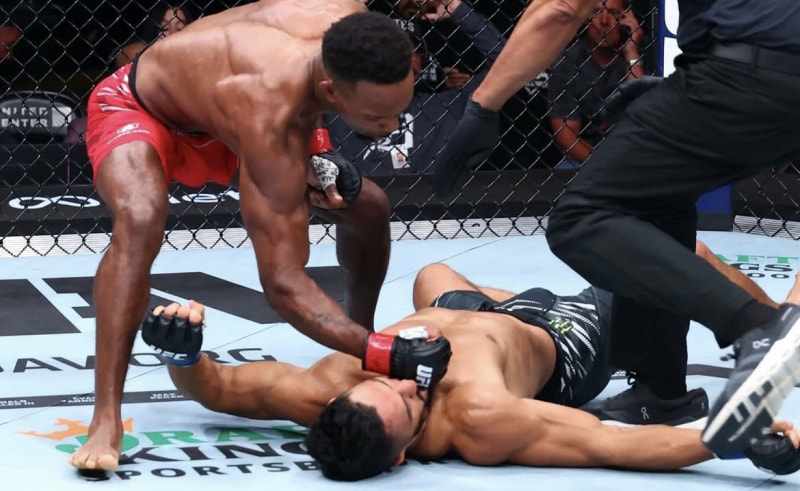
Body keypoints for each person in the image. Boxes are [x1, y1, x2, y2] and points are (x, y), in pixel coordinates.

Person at [70, 0, 452, 472]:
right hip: (144, 109)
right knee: (141, 216)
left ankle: (358, 348)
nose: (392, 126)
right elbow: (284, 284)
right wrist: (389, 354)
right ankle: (105, 416)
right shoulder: (268, 113)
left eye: (399, 107)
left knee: (369, 206)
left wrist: (318, 149)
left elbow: (303, 89)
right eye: (377, 117)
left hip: (234, 105)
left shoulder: (346, 19)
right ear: (332, 91)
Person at [430, 0, 800, 457]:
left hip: (746, 74)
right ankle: (661, 389)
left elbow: (563, 3)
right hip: (761, 72)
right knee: (651, 196)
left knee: (580, 219)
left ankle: (756, 328)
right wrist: (680, 87)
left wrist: (483, 104)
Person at [147, 240, 800, 481]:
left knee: (432, 272)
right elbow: (608, 443)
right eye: (408, 404)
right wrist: (726, 442)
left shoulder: (335, 385)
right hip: (562, 336)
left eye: (384, 383)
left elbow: (221, 388)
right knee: (678, 256)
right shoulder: (479, 419)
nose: (405, 383)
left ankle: (494, 303)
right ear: (402, 455)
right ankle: (784, 322)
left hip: (469, 308)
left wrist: (180, 350)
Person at [326, 0, 504, 174]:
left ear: (422, 61)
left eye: (408, 50)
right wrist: (329, 13)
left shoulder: (445, 108)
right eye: (386, 49)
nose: (398, 58)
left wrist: (460, 11)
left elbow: (506, 65)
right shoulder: (336, 111)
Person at [548, 0, 644, 166]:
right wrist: (605, 166)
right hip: (586, 157)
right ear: (586, 17)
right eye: (596, 11)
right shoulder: (567, 64)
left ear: (626, 18)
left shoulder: (638, 55)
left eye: (613, 13)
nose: (604, 21)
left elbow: (643, 116)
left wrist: (632, 53)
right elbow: (566, 138)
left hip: (634, 152)